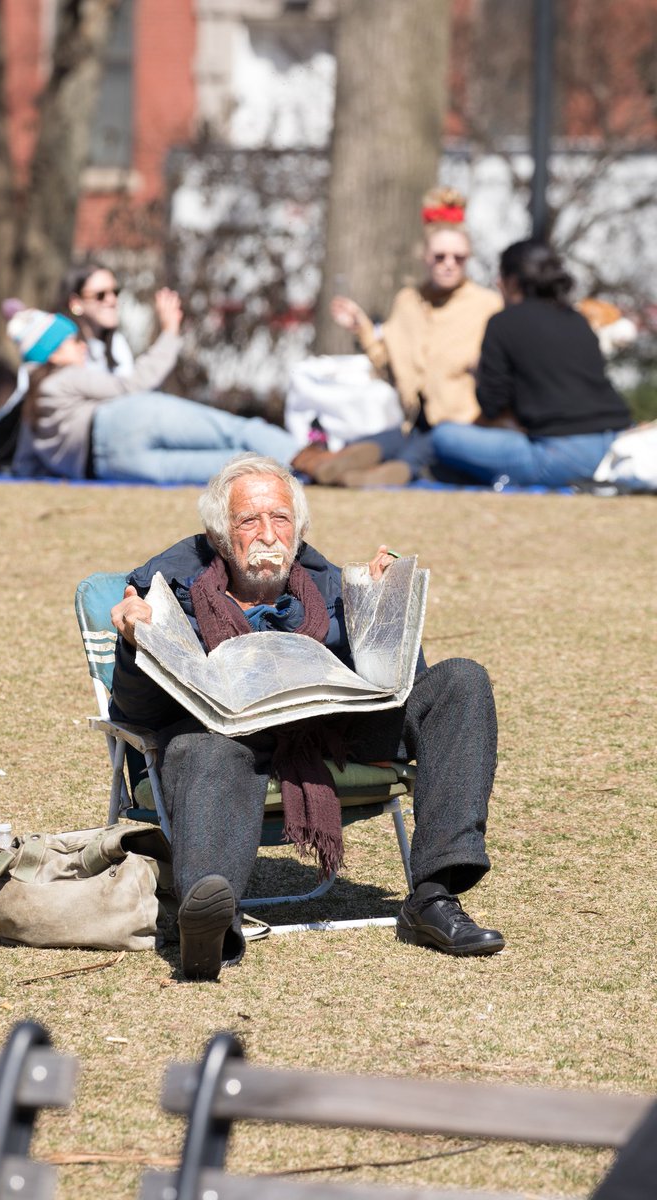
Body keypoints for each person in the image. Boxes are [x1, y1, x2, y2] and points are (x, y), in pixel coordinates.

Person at [109, 453, 505, 981]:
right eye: (248, 521)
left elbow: (400, 685)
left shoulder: (332, 588)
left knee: (460, 681)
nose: (267, 534)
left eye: (280, 518)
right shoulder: (167, 592)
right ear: (221, 536)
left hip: (327, 731)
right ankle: (209, 925)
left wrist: (384, 610)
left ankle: (433, 896)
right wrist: (133, 642)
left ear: (298, 531)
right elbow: (136, 712)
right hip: (227, 738)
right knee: (198, 749)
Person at [307, 187, 502, 487]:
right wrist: (362, 328)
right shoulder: (407, 301)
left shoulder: (487, 305)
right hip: (413, 425)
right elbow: (390, 367)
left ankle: (369, 480)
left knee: (408, 459)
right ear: (425, 257)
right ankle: (329, 469)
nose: (449, 263)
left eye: (459, 258)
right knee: (365, 448)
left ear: (468, 258)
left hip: (459, 429)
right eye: (439, 256)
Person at [6, 308, 307, 483]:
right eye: (73, 342)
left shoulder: (32, 405)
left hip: (112, 467)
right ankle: (304, 458)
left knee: (227, 467)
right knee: (231, 430)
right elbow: (133, 384)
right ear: (53, 354)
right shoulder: (66, 378)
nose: (82, 346)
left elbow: (24, 465)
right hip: (124, 421)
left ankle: (294, 471)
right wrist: (170, 333)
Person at [430, 240, 634, 488]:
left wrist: (479, 374)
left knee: (443, 436)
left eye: (501, 276)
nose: (497, 283)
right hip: (619, 444)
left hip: (563, 455)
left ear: (513, 281)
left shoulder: (503, 323)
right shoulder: (577, 319)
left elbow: (492, 405)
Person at [57, 262, 183, 382]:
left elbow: (130, 389)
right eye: (100, 295)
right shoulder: (63, 347)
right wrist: (169, 332)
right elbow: (130, 385)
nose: (112, 300)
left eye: (115, 292)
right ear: (76, 302)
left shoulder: (117, 344)